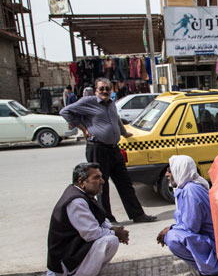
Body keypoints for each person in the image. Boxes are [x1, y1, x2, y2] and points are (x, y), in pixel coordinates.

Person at [59, 77, 157, 224]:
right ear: (96, 90)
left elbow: (116, 119)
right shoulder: (88, 102)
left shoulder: (111, 104)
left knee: (125, 183)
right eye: (102, 89)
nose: (105, 91)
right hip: (97, 148)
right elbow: (65, 111)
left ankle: (138, 215)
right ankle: (106, 219)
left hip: (113, 148)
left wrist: (124, 133)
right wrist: (83, 129)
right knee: (100, 185)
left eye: (107, 89)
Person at [46, 163, 130, 276]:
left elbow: (100, 221)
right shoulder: (76, 202)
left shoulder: (84, 194)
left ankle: (87, 275)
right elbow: (91, 233)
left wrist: (115, 229)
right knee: (109, 241)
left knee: (110, 237)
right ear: (81, 182)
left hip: (74, 252)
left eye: (101, 177)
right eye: (96, 178)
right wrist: (115, 232)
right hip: (65, 266)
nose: (102, 181)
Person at [156, 155, 218, 276]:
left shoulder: (190, 191)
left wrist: (170, 230)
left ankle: (210, 267)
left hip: (215, 242)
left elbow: (192, 227)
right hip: (213, 239)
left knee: (172, 238)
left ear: (180, 170)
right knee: (173, 233)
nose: (166, 174)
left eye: (169, 171)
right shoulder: (190, 187)